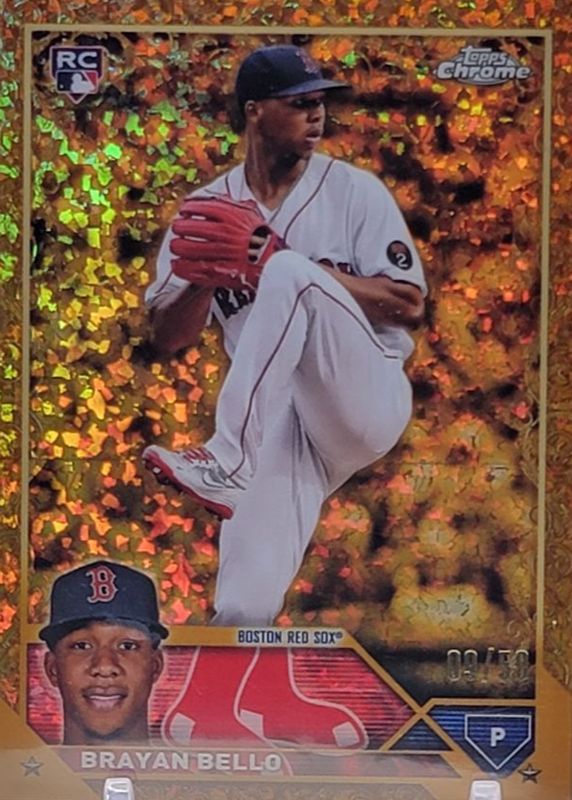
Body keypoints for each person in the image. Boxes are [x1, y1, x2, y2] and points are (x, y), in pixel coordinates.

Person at [142, 44, 427, 749]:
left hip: (363, 392)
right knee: (246, 588)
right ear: (254, 112)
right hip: (282, 418)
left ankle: (227, 459)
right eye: (299, 103)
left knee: (292, 272)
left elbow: (408, 303)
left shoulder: (354, 192)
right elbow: (167, 335)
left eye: (319, 101)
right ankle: (255, 704)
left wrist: (280, 261)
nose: (316, 114)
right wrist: (205, 276)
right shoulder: (208, 207)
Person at [40, 560, 168, 745]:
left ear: (155, 666)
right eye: (82, 646)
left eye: (127, 646)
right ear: (52, 668)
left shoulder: (199, 764)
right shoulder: (14, 764)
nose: (105, 667)